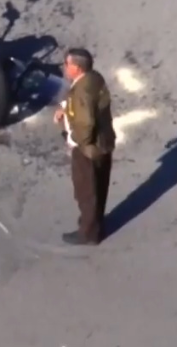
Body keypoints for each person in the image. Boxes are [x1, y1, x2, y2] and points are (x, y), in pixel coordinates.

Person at [54, 47, 116, 245]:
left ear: (77, 68)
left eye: (67, 64)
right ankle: (95, 221)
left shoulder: (81, 92)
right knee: (99, 186)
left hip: (88, 151)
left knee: (86, 191)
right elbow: (85, 103)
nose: (64, 67)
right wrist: (65, 108)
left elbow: (86, 123)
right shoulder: (94, 79)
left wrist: (76, 140)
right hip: (104, 144)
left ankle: (88, 233)